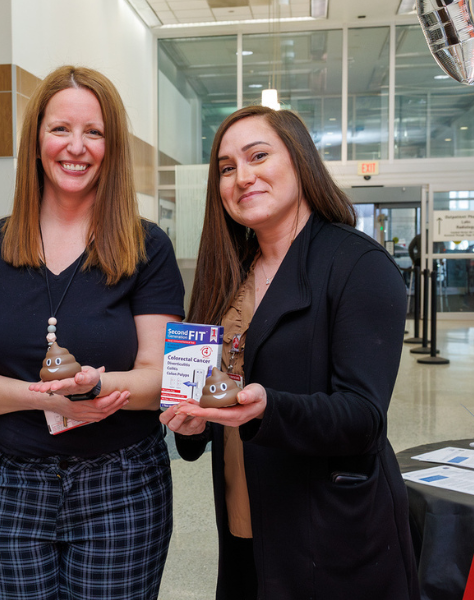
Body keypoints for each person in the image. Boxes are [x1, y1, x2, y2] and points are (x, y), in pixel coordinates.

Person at [0, 65, 185, 600]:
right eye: (60, 129)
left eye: (93, 132)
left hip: (121, 486)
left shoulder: (147, 248)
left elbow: (160, 373)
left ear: (112, 145)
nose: (77, 147)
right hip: (9, 484)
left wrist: (96, 390)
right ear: (37, 140)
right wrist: (45, 399)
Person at [161, 105, 419, 599]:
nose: (243, 177)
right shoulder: (228, 274)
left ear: (299, 161)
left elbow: (364, 417)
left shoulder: (358, 265)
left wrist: (268, 409)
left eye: (258, 156)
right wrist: (194, 423)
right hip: (244, 521)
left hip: (330, 534)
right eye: (228, 168)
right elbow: (212, 391)